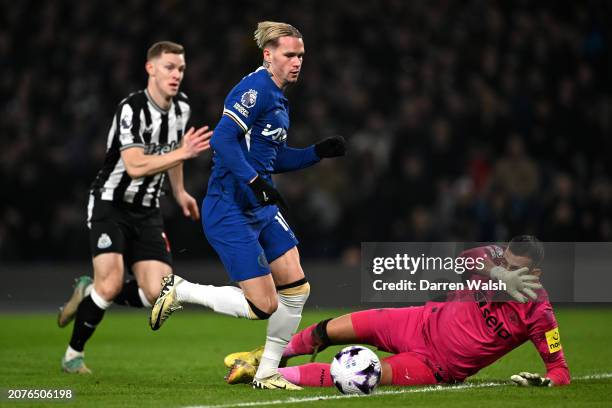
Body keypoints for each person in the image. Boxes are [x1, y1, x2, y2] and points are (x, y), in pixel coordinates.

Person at [149, 21, 346, 390]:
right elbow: (222, 140)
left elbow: (271, 158)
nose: (297, 62)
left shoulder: (279, 94)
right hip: (230, 208)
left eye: (301, 55)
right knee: (263, 305)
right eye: (289, 55)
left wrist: (315, 153)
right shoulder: (255, 88)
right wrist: (255, 183)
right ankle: (180, 290)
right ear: (268, 55)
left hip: (260, 204)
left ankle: (268, 371)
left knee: (297, 288)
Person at [224, 236, 571, 388]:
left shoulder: (539, 314)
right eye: (505, 262)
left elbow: (559, 370)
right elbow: (465, 259)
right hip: (418, 321)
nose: (506, 269)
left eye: (516, 269)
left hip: (435, 365)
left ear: (535, 275)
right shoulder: (494, 258)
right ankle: (266, 357)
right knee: (331, 329)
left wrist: (546, 383)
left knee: (358, 375)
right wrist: (498, 272)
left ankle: (273, 378)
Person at [59, 41, 213, 374]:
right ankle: (73, 355)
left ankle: (90, 291)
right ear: (151, 68)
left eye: (181, 69)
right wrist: (182, 153)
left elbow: (174, 154)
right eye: (169, 67)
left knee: (161, 293)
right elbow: (134, 165)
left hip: (147, 210)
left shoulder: (182, 108)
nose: (176, 75)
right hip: (111, 203)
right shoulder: (131, 109)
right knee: (112, 283)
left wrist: (180, 190)